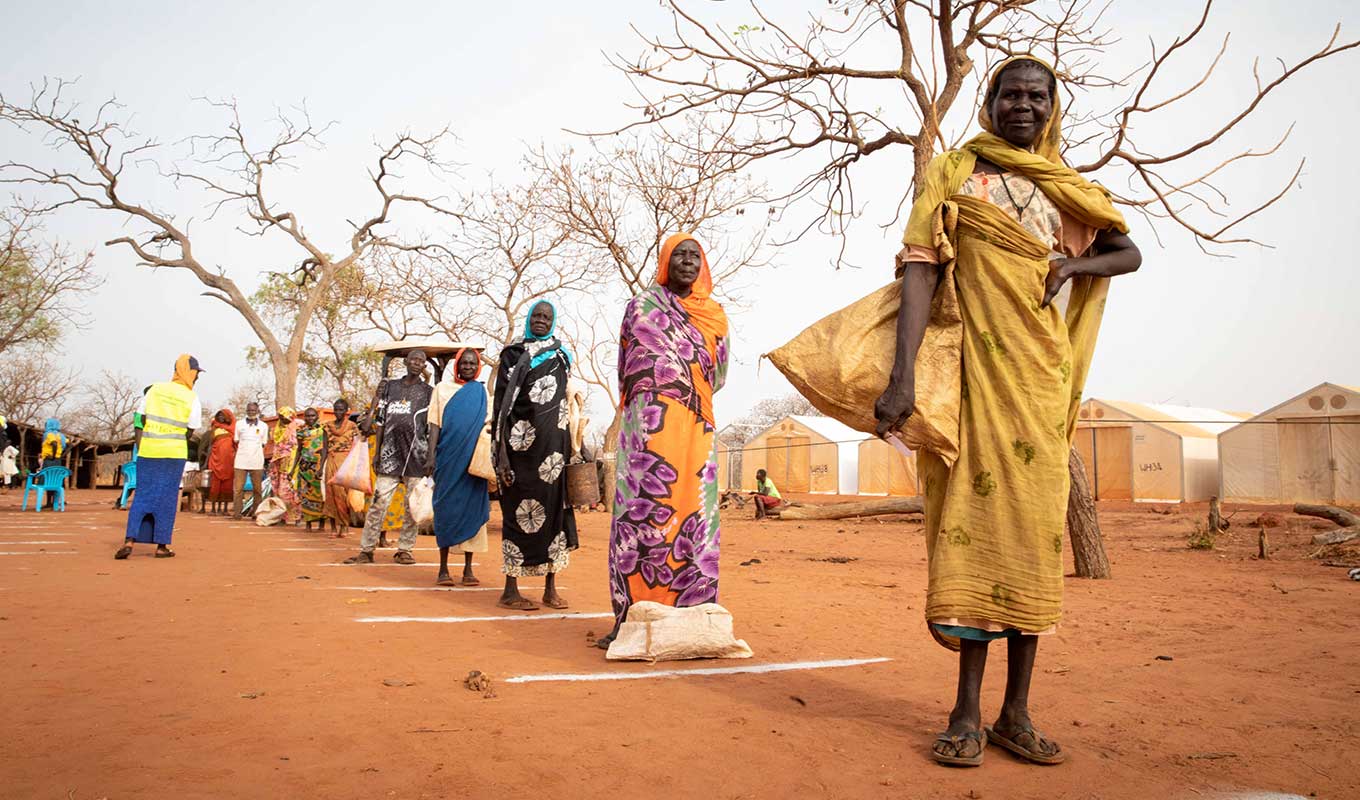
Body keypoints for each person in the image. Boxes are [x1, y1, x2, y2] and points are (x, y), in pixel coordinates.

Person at [873, 56, 1141, 767]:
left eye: (1036, 96)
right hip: (974, 383)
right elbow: (921, 266)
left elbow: (1128, 250)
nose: (1022, 105)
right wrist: (903, 380)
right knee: (972, 529)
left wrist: (1074, 266)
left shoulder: (1069, 190)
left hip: (1041, 387)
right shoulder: (957, 174)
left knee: (1030, 537)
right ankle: (965, 710)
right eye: (1010, 94)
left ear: (1052, 107)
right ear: (989, 102)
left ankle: (1016, 713)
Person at [598, 233, 729, 650]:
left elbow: (719, 374)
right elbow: (626, 366)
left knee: (693, 511)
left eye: (695, 257)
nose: (688, 263)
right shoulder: (640, 307)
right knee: (643, 515)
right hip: (647, 429)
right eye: (680, 256)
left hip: (694, 425)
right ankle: (629, 618)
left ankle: (690, 615)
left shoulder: (714, 316)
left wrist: (683, 388)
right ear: (665, 262)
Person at [492, 300, 578, 610]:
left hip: (553, 452)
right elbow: (501, 406)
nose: (541, 320)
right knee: (516, 515)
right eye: (537, 316)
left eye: (547, 316)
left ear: (553, 322)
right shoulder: (513, 355)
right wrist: (500, 452)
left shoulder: (561, 356)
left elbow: (566, 405)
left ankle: (549, 588)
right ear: (528, 319)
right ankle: (510, 590)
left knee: (555, 515)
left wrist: (573, 447)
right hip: (518, 449)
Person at [344, 349, 433, 565]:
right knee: (378, 503)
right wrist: (377, 452)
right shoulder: (390, 387)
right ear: (405, 362)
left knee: (412, 506)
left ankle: (405, 549)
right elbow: (381, 421)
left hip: (416, 455)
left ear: (424, 366)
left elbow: (432, 426)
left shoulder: (429, 392)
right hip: (389, 455)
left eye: (421, 361)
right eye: (413, 359)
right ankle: (366, 549)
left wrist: (431, 457)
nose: (417, 363)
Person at [115, 355, 205, 559]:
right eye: (196, 372)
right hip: (173, 454)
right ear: (187, 372)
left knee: (142, 496)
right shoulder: (191, 397)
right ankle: (161, 546)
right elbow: (190, 430)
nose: (197, 376)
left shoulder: (154, 390)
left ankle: (129, 541)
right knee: (166, 500)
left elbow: (140, 419)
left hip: (148, 451)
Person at [426, 348, 491, 587]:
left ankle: (468, 569)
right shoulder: (441, 390)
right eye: (464, 363)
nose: (468, 366)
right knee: (445, 511)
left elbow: (487, 423)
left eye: (473, 363)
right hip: (448, 459)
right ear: (456, 365)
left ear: (478, 366)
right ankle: (443, 568)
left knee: (473, 512)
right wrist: (431, 456)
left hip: (473, 463)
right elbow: (434, 424)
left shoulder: (481, 391)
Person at [323, 398, 360, 537]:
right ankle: (333, 527)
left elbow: (357, 447)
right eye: (336, 409)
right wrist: (320, 467)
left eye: (341, 409)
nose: (338, 412)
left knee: (344, 495)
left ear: (346, 411)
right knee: (330, 494)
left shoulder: (352, 427)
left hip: (346, 462)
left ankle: (344, 526)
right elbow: (325, 447)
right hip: (331, 461)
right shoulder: (327, 426)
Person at [233, 402, 269, 518]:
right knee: (238, 489)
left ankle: (256, 513)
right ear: (246, 411)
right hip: (241, 460)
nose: (251, 413)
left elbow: (264, 443)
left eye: (253, 410)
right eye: (249, 410)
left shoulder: (264, 426)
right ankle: (237, 513)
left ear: (257, 411)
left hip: (257, 461)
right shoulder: (239, 424)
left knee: (257, 489)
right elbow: (236, 440)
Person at [294, 407, 326, 531]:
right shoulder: (301, 432)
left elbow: (325, 448)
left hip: (318, 465)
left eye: (312, 416)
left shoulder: (323, 430)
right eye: (307, 416)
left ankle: (322, 523)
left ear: (317, 416)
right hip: (305, 467)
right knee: (306, 495)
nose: (310, 418)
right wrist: (292, 469)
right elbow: (299, 450)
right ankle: (308, 523)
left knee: (320, 495)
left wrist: (322, 465)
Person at [268, 407, 302, 525]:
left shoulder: (298, 425)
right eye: (280, 417)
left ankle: (297, 516)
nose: (282, 419)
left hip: (292, 462)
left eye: (284, 417)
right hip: (278, 463)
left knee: (290, 490)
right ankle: (284, 516)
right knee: (277, 490)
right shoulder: (278, 429)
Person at [203, 409, 237, 515]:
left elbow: (236, 445)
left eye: (223, 416)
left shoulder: (233, 430)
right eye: (219, 416)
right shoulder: (215, 429)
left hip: (229, 461)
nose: (221, 417)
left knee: (227, 485)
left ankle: (224, 509)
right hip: (215, 460)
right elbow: (210, 446)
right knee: (215, 484)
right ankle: (213, 508)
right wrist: (206, 462)